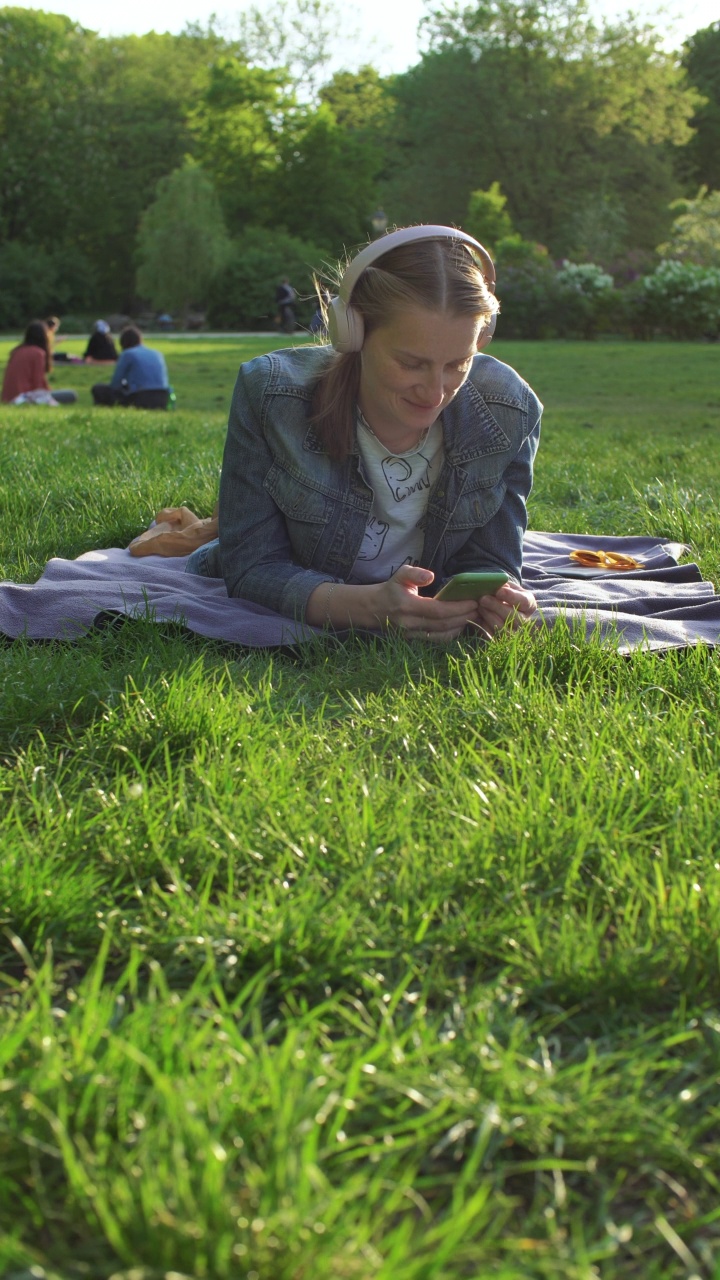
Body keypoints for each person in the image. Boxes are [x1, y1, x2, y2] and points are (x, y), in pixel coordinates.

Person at [154, 225, 539, 642]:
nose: (436, 391)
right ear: (352, 332)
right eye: (411, 363)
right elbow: (252, 567)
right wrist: (368, 608)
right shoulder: (271, 395)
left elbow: (492, 561)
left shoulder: (510, 410)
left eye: (457, 364)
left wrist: (498, 601)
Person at [91, 325, 169, 409]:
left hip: (141, 397)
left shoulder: (128, 354)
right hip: (163, 397)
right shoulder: (158, 353)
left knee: (98, 389)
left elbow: (115, 384)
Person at [1, 320, 77, 405]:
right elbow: (38, 383)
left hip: (7, 397)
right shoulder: (38, 353)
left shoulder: (17, 351)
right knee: (71, 395)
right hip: (23, 398)